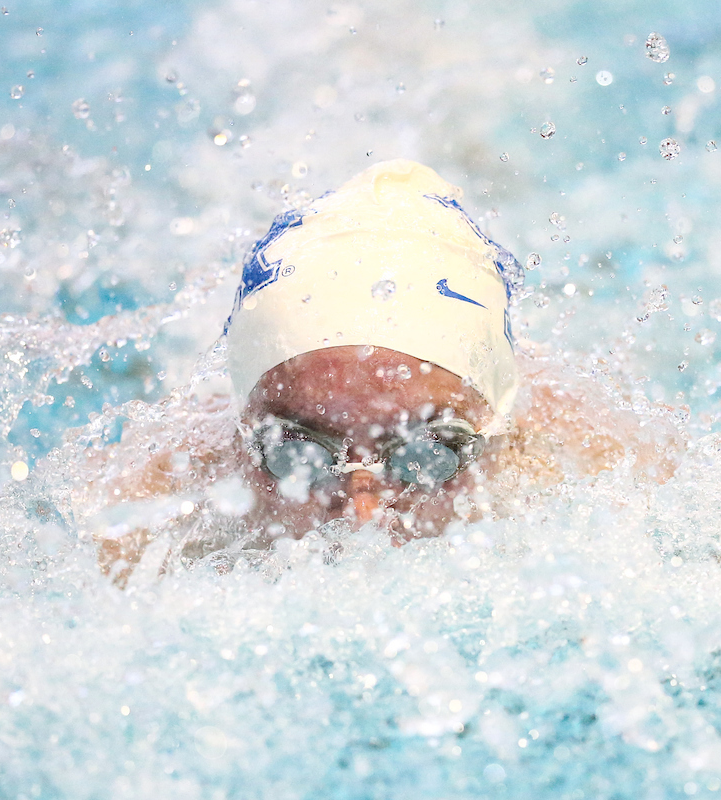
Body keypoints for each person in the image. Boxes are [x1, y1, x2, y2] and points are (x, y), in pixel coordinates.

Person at [91, 160, 683, 582]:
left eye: (427, 455)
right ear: (241, 437)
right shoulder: (149, 512)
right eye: (298, 455)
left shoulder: (595, 477)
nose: (363, 518)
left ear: (502, 434)